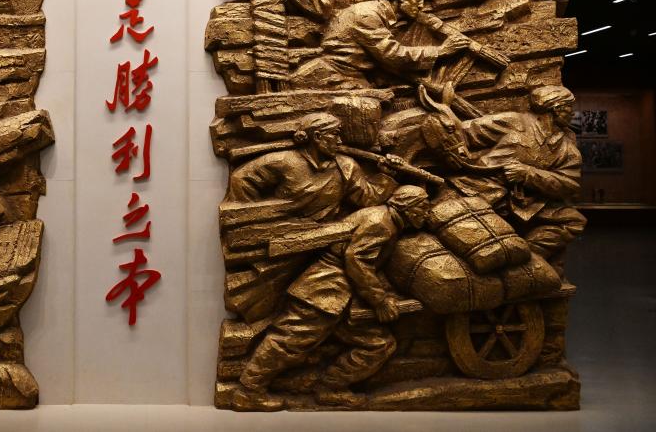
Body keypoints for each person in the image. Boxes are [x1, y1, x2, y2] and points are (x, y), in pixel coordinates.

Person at [230, 185, 432, 411]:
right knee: (288, 342)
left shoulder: (382, 217)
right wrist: (379, 300)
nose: (427, 212)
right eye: (424, 207)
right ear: (409, 207)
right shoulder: (381, 224)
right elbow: (356, 260)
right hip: (323, 290)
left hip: (343, 296)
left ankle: (330, 388)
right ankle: (248, 392)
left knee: (379, 344)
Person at [448, 85, 586, 264]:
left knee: (573, 221)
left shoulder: (567, 146)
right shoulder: (514, 121)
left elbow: (569, 184)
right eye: (569, 107)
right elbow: (464, 132)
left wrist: (528, 174)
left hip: (525, 202)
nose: (572, 113)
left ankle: (526, 259)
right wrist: (456, 152)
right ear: (555, 108)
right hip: (482, 188)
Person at [291, 0, 470, 89]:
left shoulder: (384, 15)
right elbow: (392, 54)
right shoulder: (366, 15)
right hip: (334, 76)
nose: (421, 5)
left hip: (349, 75)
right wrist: (441, 51)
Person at [227, 113, 399, 223]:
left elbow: (366, 198)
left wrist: (387, 175)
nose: (340, 141)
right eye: (335, 134)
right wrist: (256, 218)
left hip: (319, 238)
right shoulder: (283, 160)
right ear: (317, 136)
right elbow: (240, 179)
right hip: (280, 234)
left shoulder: (346, 166)